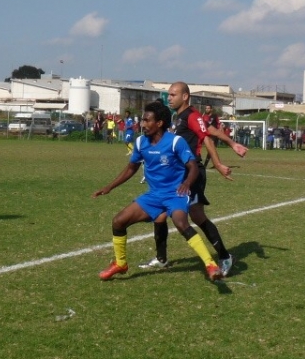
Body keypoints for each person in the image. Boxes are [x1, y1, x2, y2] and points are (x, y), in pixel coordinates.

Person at [92, 101, 224, 282]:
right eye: (142, 120)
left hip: (175, 194)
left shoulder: (176, 142)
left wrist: (187, 182)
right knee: (118, 222)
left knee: (180, 222)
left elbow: (193, 166)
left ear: (159, 123)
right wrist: (109, 187)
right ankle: (120, 263)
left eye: (147, 120)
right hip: (154, 195)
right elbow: (131, 168)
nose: (142, 124)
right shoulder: (141, 142)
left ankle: (210, 265)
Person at [138, 82, 248, 277]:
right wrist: (232, 143)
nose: (169, 98)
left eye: (173, 95)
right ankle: (161, 259)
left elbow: (206, 137)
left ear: (185, 96)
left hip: (193, 172)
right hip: (179, 173)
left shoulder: (191, 115)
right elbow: (210, 129)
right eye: (169, 94)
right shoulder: (180, 117)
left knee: (197, 216)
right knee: (160, 214)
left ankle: (225, 256)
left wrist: (218, 164)